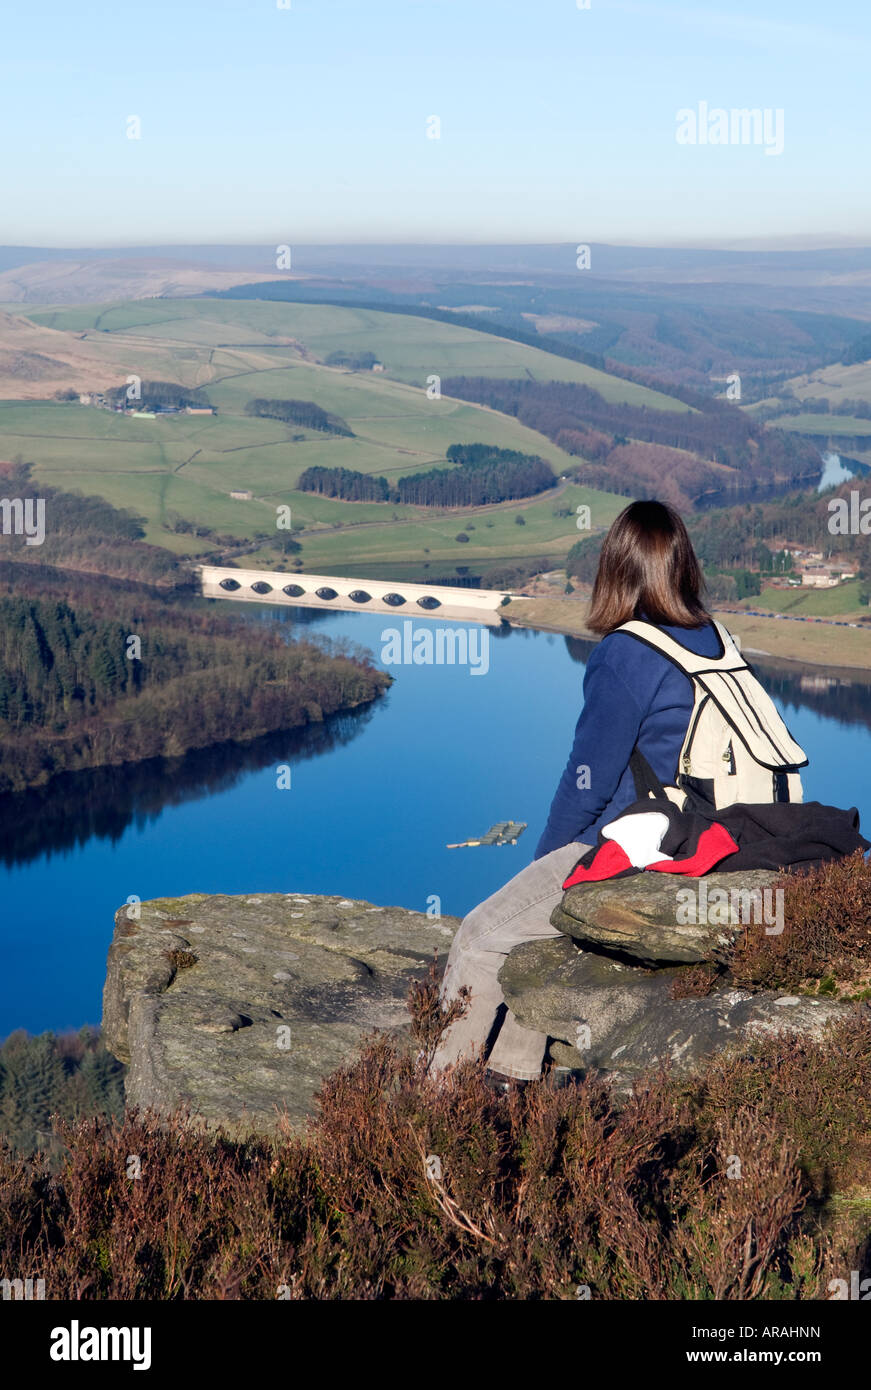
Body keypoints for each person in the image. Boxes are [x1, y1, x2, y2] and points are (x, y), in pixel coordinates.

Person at [430, 498, 724, 1087]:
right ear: (682, 568)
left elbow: (586, 780)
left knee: (481, 938)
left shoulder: (626, 653)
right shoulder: (713, 639)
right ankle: (512, 1078)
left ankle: (438, 1102)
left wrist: (546, 860)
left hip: (635, 847)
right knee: (541, 942)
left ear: (614, 569)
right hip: (702, 839)